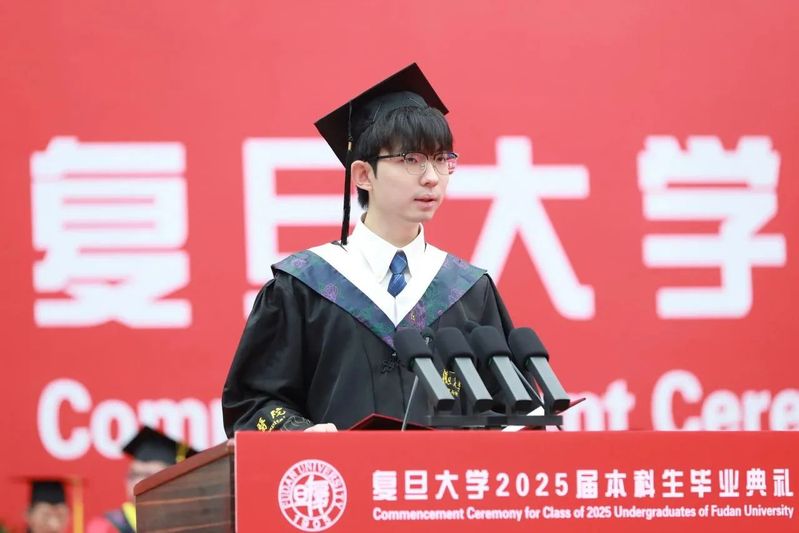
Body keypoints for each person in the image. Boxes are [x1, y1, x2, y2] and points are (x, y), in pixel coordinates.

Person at [223, 63, 513, 434]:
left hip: (444, 473)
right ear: (363, 175)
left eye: (441, 159)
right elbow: (253, 403)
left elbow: (507, 407)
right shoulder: (304, 285)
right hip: (336, 472)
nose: (431, 177)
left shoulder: (468, 290)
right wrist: (301, 436)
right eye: (411, 159)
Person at [86, 426, 196, 533]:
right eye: (134, 475)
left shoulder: (193, 525)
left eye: (149, 475)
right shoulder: (105, 527)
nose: (138, 482)